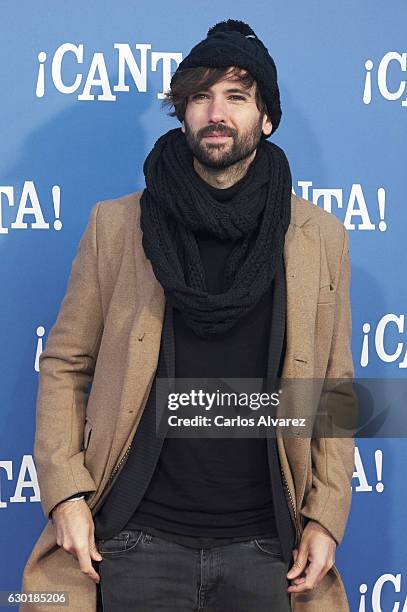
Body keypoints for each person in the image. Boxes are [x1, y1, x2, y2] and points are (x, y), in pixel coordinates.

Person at [21, 19, 355, 612]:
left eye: (236, 95)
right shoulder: (118, 226)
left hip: (268, 548)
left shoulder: (318, 238)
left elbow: (333, 387)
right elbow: (66, 365)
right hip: (134, 541)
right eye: (200, 95)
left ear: (266, 117)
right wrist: (66, 494)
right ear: (182, 113)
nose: (215, 111)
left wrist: (325, 518)